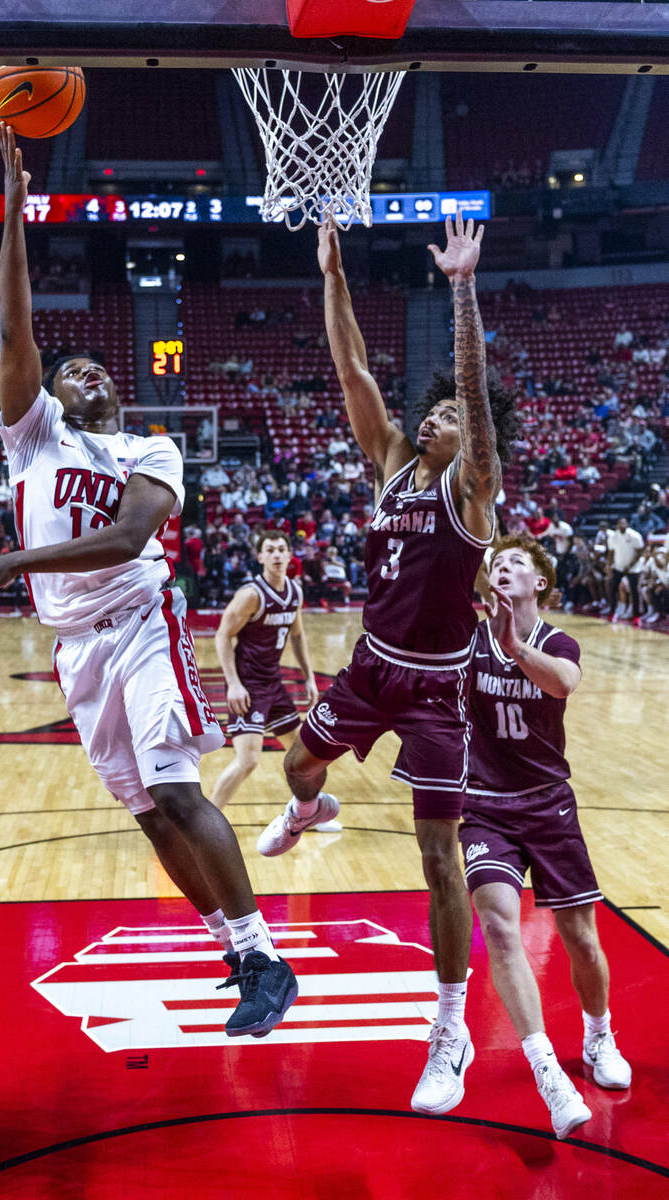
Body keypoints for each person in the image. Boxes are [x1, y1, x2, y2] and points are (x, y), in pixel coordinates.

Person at [0, 122, 298, 1040]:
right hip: (75, 649)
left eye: (97, 365)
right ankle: (231, 945)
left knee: (179, 788)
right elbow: (14, 322)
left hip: (142, 622)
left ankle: (266, 956)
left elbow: (133, 535)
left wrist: (11, 562)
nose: (83, 369)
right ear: (50, 398)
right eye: (69, 368)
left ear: (117, 389)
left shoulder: (151, 445)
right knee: (148, 816)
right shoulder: (35, 436)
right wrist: (16, 212)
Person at [257, 212, 519, 1115]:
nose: (436, 413)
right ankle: (312, 807)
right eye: (433, 409)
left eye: (449, 415)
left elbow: (476, 403)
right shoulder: (391, 467)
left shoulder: (473, 489)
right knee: (296, 766)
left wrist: (460, 286)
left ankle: (448, 1033)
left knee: (438, 858)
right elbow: (353, 369)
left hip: (440, 688)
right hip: (372, 665)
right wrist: (331, 274)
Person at [458, 535, 631, 1139]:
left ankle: (598, 1033)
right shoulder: (467, 641)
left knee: (581, 937)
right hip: (484, 807)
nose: (504, 568)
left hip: (548, 804)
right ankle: (546, 1070)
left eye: (518, 565)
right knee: (501, 928)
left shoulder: (556, 640)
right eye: (497, 562)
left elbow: (563, 681)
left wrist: (513, 647)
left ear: (541, 586)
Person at [211, 531, 337, 824]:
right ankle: (203, 824)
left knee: (304, 759)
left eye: (282, 549)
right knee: (248, 760)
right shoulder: (251, 595)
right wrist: (233, 683)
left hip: (274, 684)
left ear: (290, 554)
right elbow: (221, 636)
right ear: (260, 557)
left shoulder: (295, 591)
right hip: (248, 686)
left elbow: (297, 635)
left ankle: (307, 815)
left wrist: (308, 677)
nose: (277, 555)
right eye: (270, 550)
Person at [605, 517, 644, 623]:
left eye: (623, 523)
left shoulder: (635, 536)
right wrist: (609, 564)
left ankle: (636, 616)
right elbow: (611, 552)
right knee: (612, 588)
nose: (621, 525)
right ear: (617, 525)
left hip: (633, 568)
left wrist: (631, 564)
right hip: (618, 566)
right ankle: (613, 612)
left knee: (634, 591)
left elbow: (640, 551)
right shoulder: (613, 536)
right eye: (619, 523)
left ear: (627, 524)